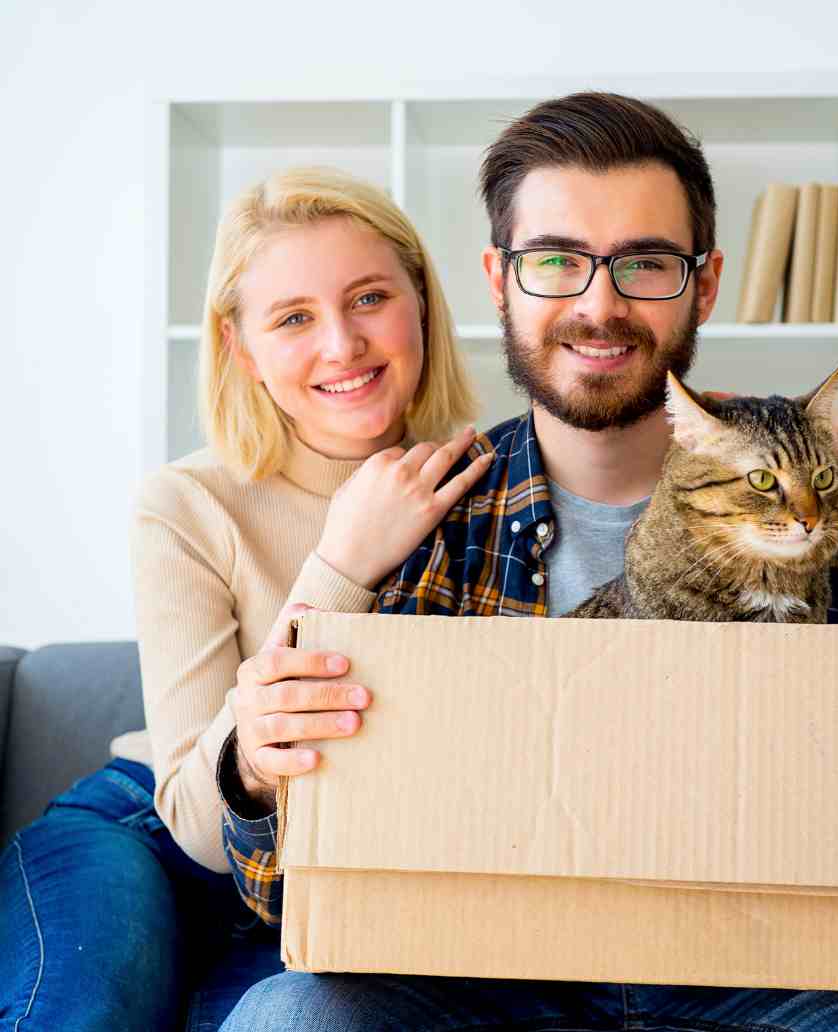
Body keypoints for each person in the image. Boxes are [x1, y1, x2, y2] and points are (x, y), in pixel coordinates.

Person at [217, 94, 838, 1031]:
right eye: (554, 260)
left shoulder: (833, 503)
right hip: (482, 975)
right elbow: (276, 889)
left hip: (779, 975)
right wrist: (262, 775)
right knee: (291, 1016)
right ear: (498, 281)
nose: (599, 303)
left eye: (646, 263)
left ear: (704, 285)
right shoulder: (429, 517)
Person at [0, 167, 490, 1031]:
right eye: (294, 317)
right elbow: (195, 819)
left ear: (421, 303)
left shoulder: (495, 488)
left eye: (370, 297)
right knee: (84, 1011)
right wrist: (343, 561)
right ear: (240, 347)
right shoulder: (186, 504)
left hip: (324, 872)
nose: (342, 344)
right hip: (145, 833)